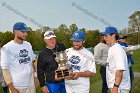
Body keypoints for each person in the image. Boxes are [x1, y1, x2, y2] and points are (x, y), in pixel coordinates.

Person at [1, 22, 36, 93]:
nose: (25, 34)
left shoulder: (28, 45)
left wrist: (35, 77)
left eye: (26, 32)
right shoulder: (7, 48)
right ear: (15, 32)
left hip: (31, 84)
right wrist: (12, 88)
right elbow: (5, 70)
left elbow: (32, 62)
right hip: (18, 86)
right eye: (23, 31)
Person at [103, 26, 130, 93]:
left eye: (106, 36)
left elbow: (120, 70)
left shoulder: (117, 49)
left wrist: (115, 87)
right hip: (117, 87)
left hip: (120, 88)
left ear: (113, 35)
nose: (104, 38)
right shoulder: (112, 48)